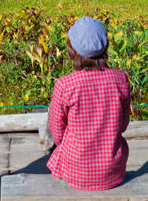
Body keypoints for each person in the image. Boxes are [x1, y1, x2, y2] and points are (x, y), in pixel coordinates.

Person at [46, 16, 131, 190]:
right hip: (113, 171)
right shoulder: (120, 79)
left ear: (72, 48)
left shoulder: (65, 84)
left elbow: (57, 133)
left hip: (76, 170)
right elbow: (123, 125)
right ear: (105, 46)